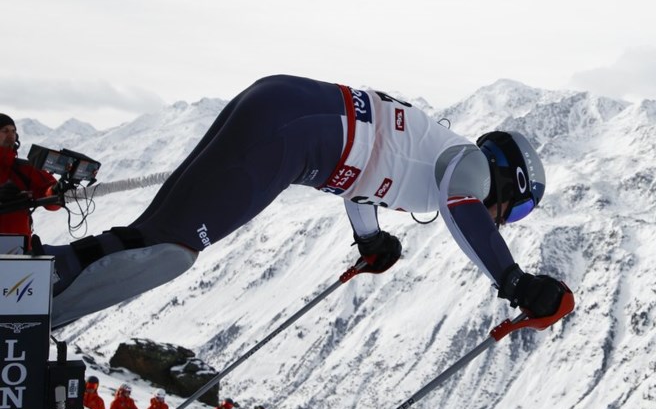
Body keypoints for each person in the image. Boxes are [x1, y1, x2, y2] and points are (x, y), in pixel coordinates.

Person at [43, 75, 570, 328]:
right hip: (292, 138)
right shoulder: (471, 166)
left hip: (281, 110)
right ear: (508, 180)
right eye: (517, 210)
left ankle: (30, 283)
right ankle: (28, 313)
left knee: (153, 234)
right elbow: (464, 213)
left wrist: (369, 238)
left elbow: (362, 177)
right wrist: (514, 281)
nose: (505, 220)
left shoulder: (432, 155)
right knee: (170, 251)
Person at [0, 113, 62, 245]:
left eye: (13, 131)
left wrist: (56, 191)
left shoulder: (25, 169)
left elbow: (49, 197)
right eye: (5, 131)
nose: (11, 137)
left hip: (17, 248)